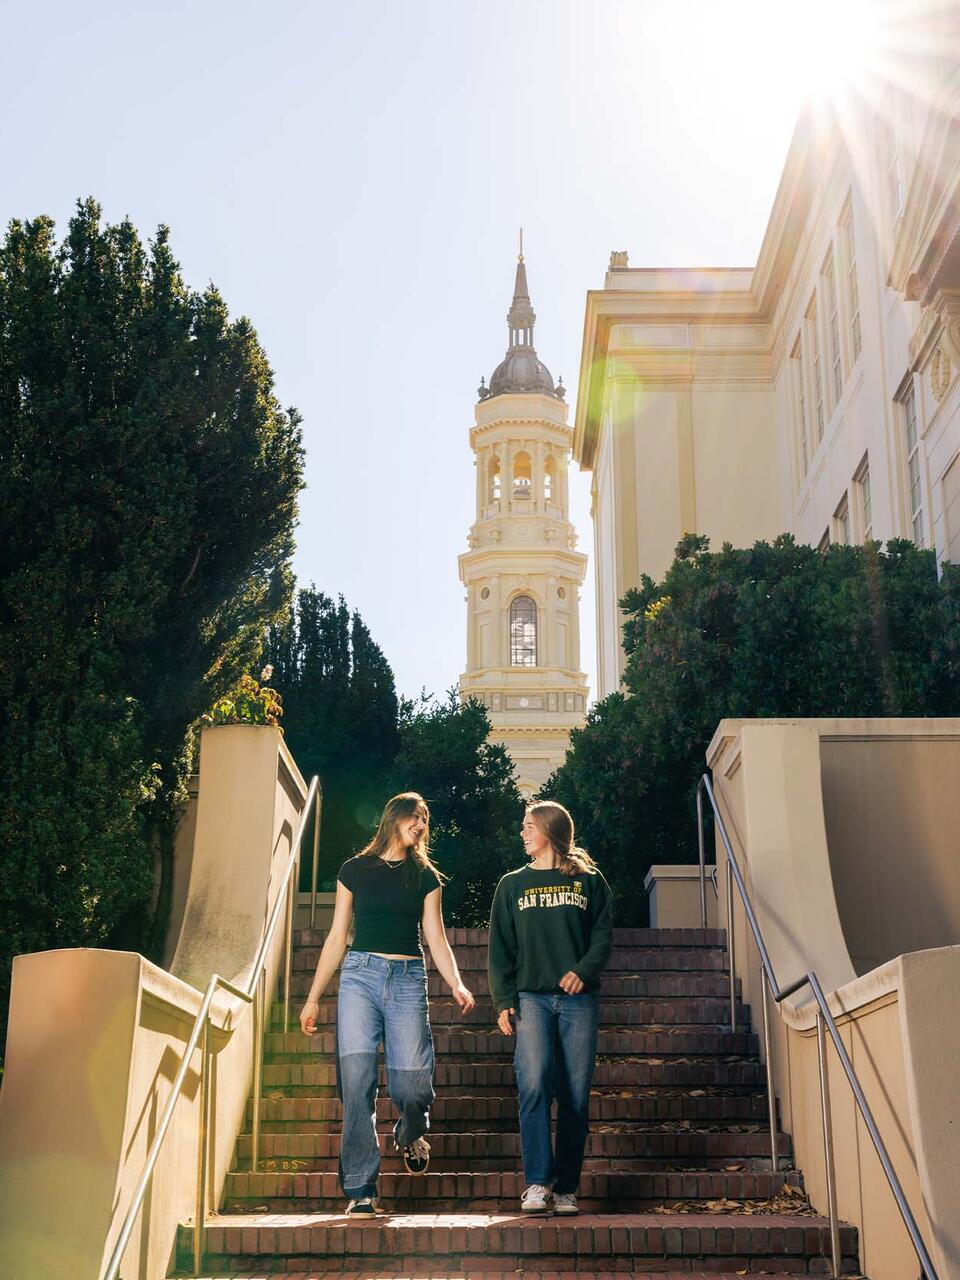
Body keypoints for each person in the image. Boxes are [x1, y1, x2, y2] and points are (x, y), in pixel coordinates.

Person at [299, 792, 475, 1217]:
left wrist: (456, 982)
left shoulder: (425, 877)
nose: (422, 825)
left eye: (426, 820)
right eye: (417, 817)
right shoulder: (354, 870)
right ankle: (362, 1189)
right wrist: (312, 998)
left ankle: (411, 1132)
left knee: (412, 1087)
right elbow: (338, 935)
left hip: (407, 979)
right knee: (357, 1086)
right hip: (359, 978)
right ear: (395, 818)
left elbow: (436, 937)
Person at [487, 800, 613, 1216]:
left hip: (579, 1001)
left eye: (528, 826)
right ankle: (538, 1183)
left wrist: (584, 969)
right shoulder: (511, 885)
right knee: (535, 1085)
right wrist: (503, 1001)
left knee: (575, 1095)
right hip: (532, 999)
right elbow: (500, 950)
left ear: (550, 829)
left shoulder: (589, 881)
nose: (521, 832)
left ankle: (567, 1189)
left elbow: (602, 934)